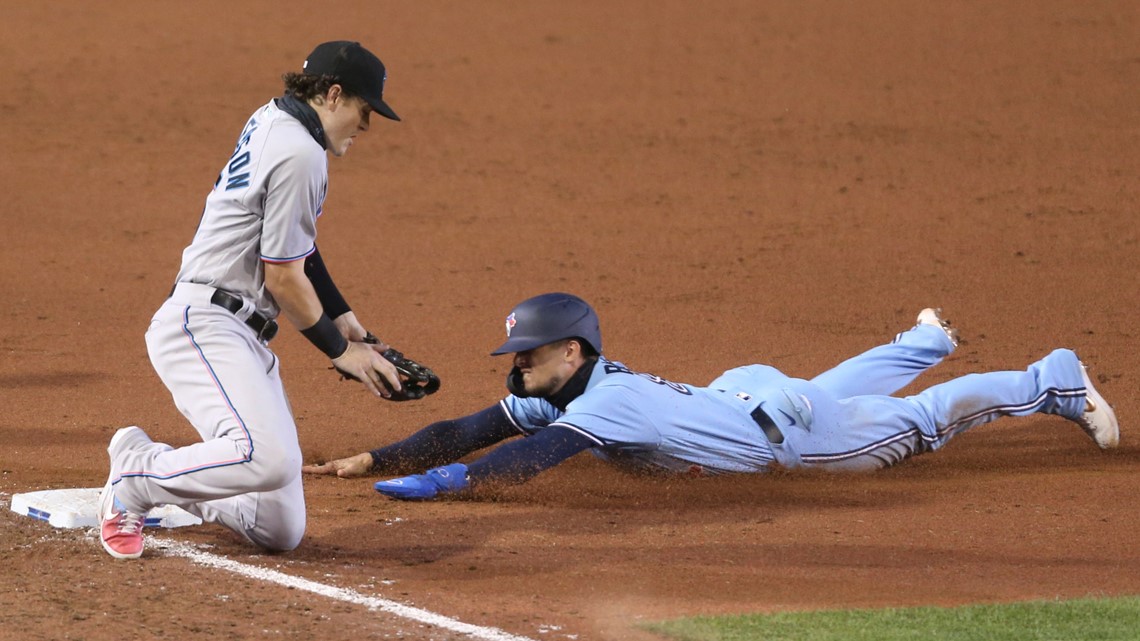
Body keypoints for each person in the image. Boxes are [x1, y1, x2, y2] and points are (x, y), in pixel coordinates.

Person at [303, 293, 1120, 500]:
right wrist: (380, 456)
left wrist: (447, 485)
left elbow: (527, 457)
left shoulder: (600, 405)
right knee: (823, 389)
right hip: (750, 394)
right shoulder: (578, 385)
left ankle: (1048, 378)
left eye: (526, 355)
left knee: (925, 422)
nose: (514, 367)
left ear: (571, 351)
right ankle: (921, 341)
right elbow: (476, 425)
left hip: (789, 432)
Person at [98, 41, 409, 559]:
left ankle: (150, 460)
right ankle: (135, 479)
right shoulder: (301, 154)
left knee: (276, 528)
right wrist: (340, 350)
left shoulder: (274, 119)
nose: (364, 126)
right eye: (363, 110)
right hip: (204, 325)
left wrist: (342, 315)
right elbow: (284, 278)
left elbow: (295, 245)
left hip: (239, 330)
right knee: (267, 458)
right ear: (334, 95)